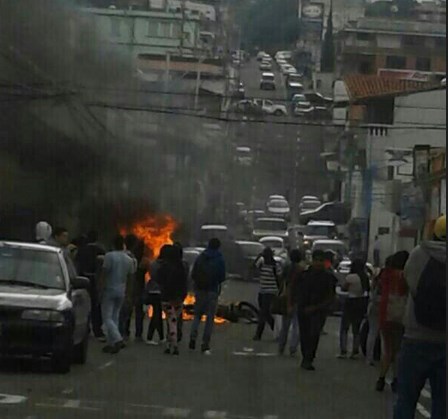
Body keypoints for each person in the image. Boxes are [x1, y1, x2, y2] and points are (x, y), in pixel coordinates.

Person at [394, 215, 446, 419]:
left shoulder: (419, 254)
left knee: (406, 400)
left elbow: (410, 283)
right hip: (445, 341)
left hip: (416, 337)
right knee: (442, 404)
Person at [296, 249, 336, 371]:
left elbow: (331, 296)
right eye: (316, 260)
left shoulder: (328, 277)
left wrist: (317, 307)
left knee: (314, 335)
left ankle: (309, 358)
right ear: (312, 261)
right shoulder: (304, 275)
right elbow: (297, 291)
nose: (319, 263)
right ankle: (305, 357)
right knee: (304, 335)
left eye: (321, 261)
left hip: (318, 311)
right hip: (303, 309)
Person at [376, 250, 409, 392]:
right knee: (398, 351)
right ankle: (396, 380)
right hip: (400, 316)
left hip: (385, 315)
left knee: (387, 349)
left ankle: (381, 379)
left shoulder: (385, 275)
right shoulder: (405, 276)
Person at [99, 235, 135, 354]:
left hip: (109, 289)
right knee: (115, 316)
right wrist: (129, 294)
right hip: (121, 291)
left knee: (107, 317)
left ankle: (118, 339)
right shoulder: (129, 259)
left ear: (113, 244)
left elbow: (104, 273)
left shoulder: (109, 256)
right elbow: (130, 279)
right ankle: (112, 343)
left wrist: (100, 289)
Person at [189, 238, 226, 355]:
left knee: (197, 316)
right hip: (212, 291)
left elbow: (193, 273)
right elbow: (222, 276)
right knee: (210, 319)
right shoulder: (219, 259)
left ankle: (192, 338)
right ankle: (205, 344)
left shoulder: (201, 257)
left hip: (200, 290)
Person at [76, 230, 106, 340]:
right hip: (96, 280)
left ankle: (86, 328)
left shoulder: (82, 250)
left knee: (84, 305)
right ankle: (97, 330)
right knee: (96, 306)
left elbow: (77, 265)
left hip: (82, 279)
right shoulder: (100, 250)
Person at [158, 245, 188, 355]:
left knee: (170, 321)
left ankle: (172, 344)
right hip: (178, 299)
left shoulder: (165, 267)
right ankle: (171, 343)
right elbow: (185, 283)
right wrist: (183, 296)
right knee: (174, 321)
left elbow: (159, 279)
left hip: (166, 298)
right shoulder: (182, 267)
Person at [338, 259, 370, 359]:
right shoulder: (365, 277)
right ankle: (355, 349)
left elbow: (344, 288)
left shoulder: (350, 277)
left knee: (344, 327)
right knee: (356, 328)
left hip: (350, 301)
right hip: (360, 302)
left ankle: (343, 350)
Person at [278, 249, 305, 356]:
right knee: (296, 326)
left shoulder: (287, 267)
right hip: (298, 299)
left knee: (285, 326)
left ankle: (281, 346)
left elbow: (281, 280)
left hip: (287, 297)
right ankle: (293, 347)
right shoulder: (301, 270)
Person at [253, 247, 279, 341]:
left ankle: (258, 334)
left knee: (263, 313)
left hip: (270, 291)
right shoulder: (262, 263)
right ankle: (275, 329)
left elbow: (278, 278)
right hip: (262, 290)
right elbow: (254, 268)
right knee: (265, 312)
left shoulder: (274, 265)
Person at [145, 245, 169, 345]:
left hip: (151, 291)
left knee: (157, 314)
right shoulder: (165, 265)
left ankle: (161, 337)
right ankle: (150, 337)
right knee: (156, 315)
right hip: (159, 291)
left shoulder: (153, 263)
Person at [365, 266, 382, 366]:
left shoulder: (376, 281)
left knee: (372, 332)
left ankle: (369, 357)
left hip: (373, 306)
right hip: (382, 306)